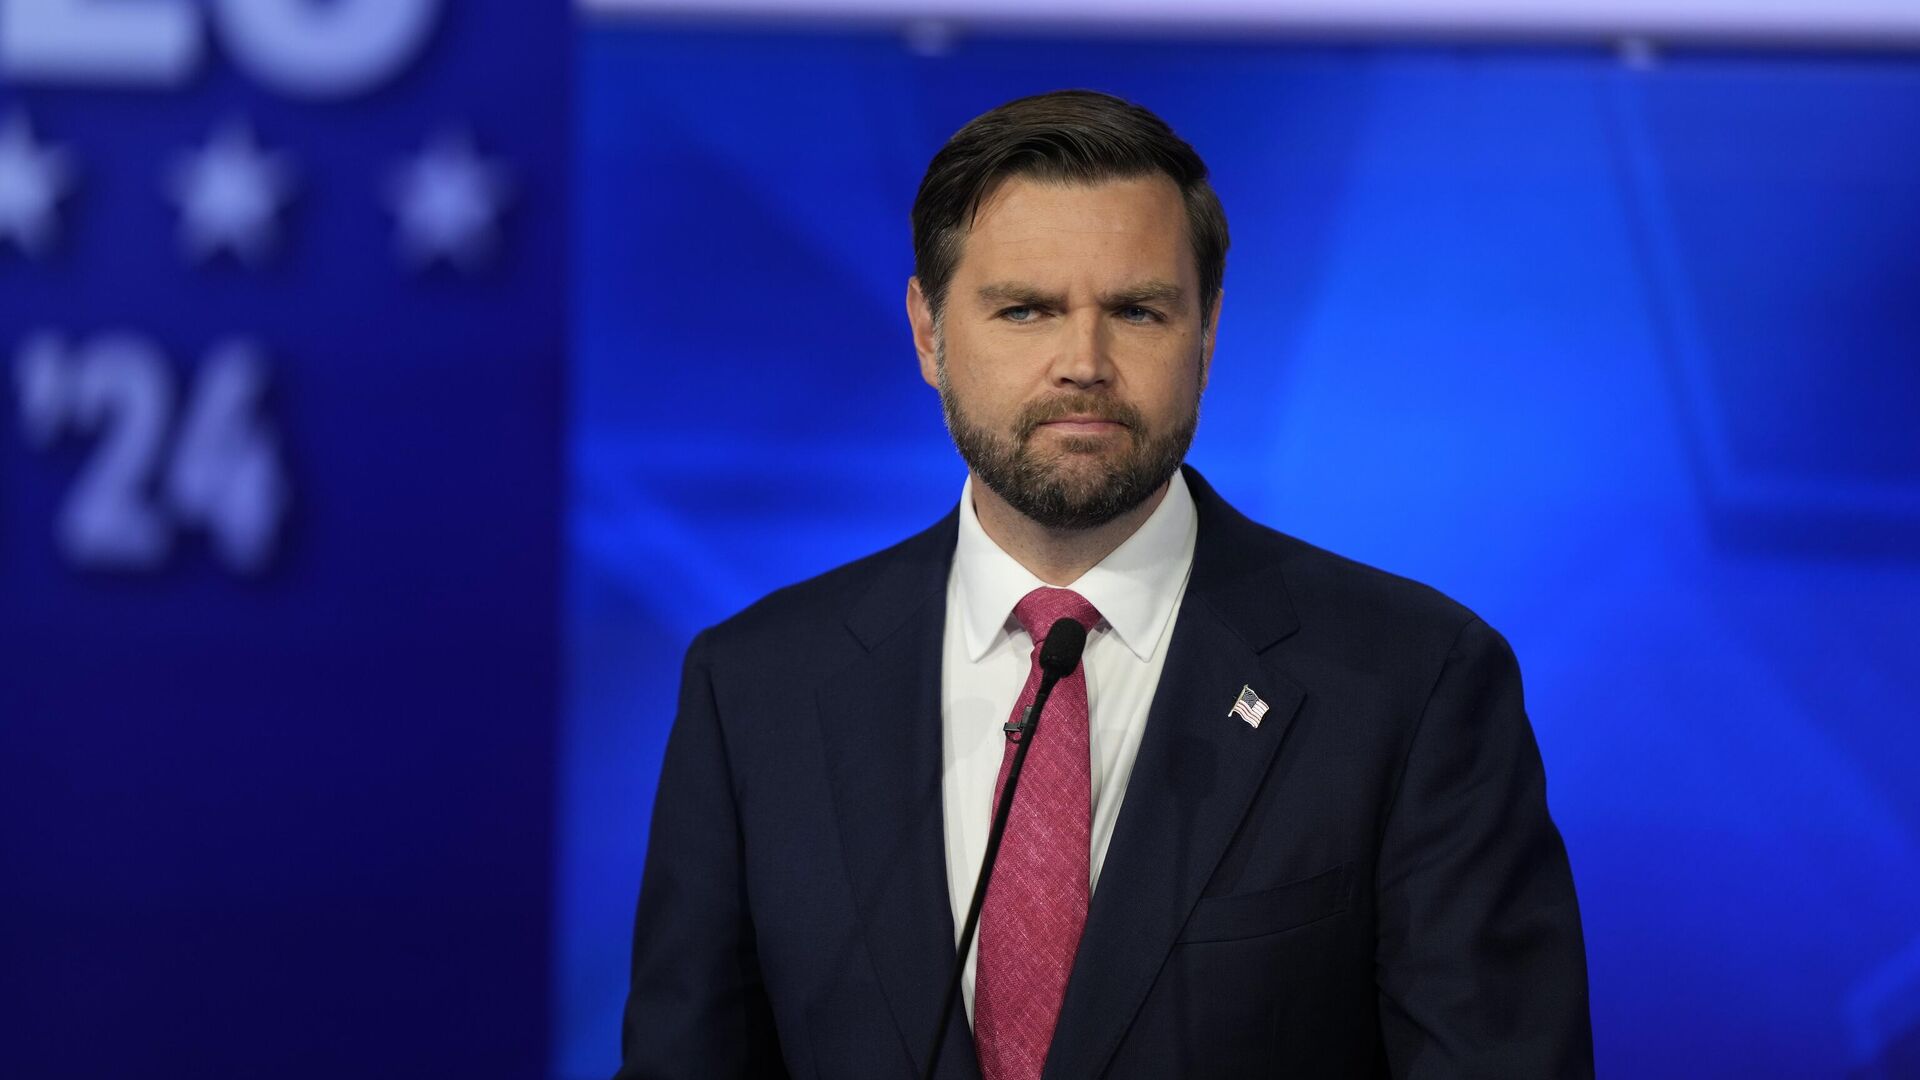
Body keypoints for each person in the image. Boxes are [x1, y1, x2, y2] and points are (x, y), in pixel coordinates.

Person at [615, 90, 1592, 1079]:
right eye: (1025, 310)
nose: (1083, 364)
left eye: (1136, 311)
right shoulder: (755, 690)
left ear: (1207, 334)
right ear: (927, 333)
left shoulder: (1413, 684)